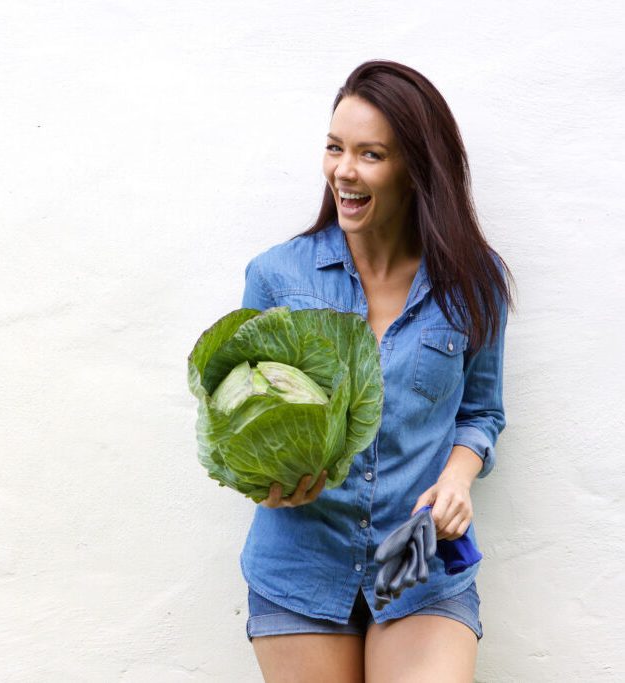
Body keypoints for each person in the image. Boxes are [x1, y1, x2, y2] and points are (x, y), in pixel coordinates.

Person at [239, 60, 514, 682]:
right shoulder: (277, 277)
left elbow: (481, 412)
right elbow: (241, 417)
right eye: (335, 148)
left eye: (370, 154)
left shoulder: (474, 283)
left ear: (417, 170)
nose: (344, 170)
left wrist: (458, 479)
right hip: (301, 562)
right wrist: (271, 476)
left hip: (417, 561)